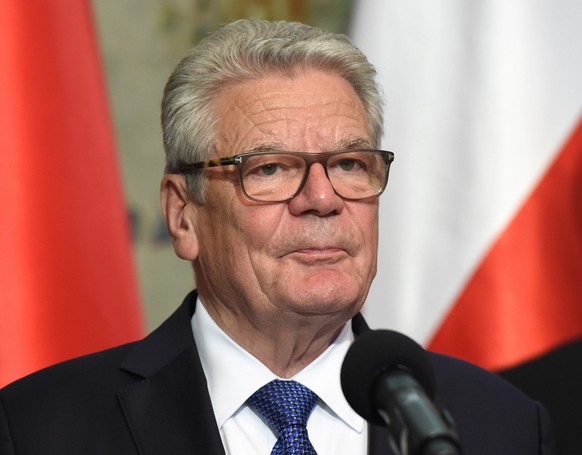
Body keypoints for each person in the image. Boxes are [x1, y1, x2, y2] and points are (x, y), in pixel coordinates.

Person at [0, 19, 555, 455]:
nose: (322, 198)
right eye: (269, 169)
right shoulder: (38, 428)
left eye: (349, 163)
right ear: (182, 214)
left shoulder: (498, 425)